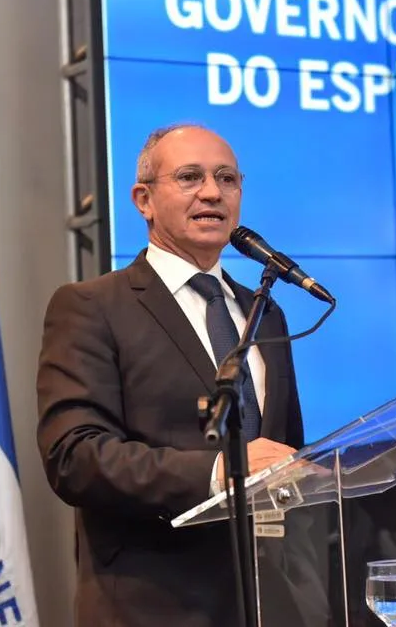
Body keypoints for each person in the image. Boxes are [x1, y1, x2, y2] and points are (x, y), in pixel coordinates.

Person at [36, 124, 311, 626]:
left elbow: (283, 447)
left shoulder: (263, 313)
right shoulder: (92, 307)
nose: (212, 191)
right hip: (151, 607)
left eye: (227, 178)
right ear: (143, 199)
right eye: (190, 177)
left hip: (267, 601)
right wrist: (217, 472)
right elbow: (74, 456)